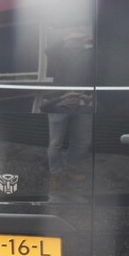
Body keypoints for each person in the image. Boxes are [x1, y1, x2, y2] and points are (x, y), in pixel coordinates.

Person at [42, 29, 94, 192]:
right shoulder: (58, 54)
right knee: (55, 142)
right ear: (66, 41)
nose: (75, 43)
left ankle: (71, 169)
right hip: (59, 102)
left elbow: (103, 53)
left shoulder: (89, 54)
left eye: (79, 40)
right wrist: (65, 34)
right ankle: (56, 175)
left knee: (82, 142)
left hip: (83, 103)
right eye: (72, 40)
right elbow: (49, 49)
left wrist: (91, 39)